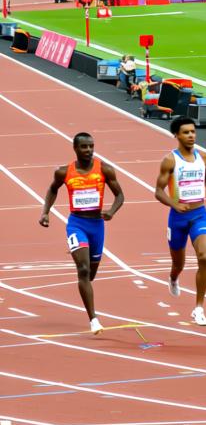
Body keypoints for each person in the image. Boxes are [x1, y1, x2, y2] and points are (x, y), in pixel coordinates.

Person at [38, 132, 125, 334]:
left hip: (97, 226)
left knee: (91, 273)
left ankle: (80, 256)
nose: (88, 150)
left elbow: (120, 194)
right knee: (83, 270)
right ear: (75, 149)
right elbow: (52, 189)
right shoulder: (63, 172)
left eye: (91, 146)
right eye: (84, 147)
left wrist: (111, 211)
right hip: (77, 224)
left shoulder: (104, 169)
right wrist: (45, 212)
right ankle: (93, 319)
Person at [154, 116, 206, 326]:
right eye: (186, 132)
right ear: (176, 135)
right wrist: (174, 204)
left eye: (193, 132)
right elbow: (158, 191)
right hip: (177, 218)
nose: (191, 136)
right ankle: (174, 277)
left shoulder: (203, 157)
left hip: (199, 214)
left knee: (203, 256)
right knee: (179, 263)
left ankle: (199, 308)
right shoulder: (170, 160)